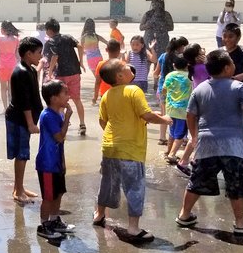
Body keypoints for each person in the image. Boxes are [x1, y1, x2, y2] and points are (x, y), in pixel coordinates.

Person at [175, 50, 243, 236]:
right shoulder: (237, 87)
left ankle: (184, 214)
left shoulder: (200, 89)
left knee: (197, 182)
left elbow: (190, 115)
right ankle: (239, 224)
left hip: (206, 144)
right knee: (236, 186)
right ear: (228, 67)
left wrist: (195, 136)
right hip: (233, 146)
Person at [92, 60, 172, 242]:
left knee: (108, 183)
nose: (130, 67)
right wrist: (165, 119)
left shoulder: (107, 95)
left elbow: (103, 121)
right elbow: (146, 115)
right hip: (130, 150)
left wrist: (117, 133)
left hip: (110, 147)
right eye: (126, 66)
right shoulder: (134, 90)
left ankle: (99, 214)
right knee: (135, 187)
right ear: (120, 76)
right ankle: (134, 228)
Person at [5, 37, 43, 204]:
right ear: (28, 54)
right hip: (19, 118)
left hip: (24, 118)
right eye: (38, 53)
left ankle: (19, 186)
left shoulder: (30, 70)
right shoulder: (21, 72)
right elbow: (25, 101)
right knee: (21, 155)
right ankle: (18, 190)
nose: (40, 56)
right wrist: (30, 123)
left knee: (23, 154)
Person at [35, 80, 74, 240]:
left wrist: (63, 162)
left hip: (56, 162)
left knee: (58, 193)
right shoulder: (48, 115)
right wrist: (67, 119)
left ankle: (54, 220)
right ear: (53, 98)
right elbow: (59, 137)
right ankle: (44, 224)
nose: (68, 96)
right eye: (64, 93)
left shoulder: (58, 113)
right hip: (47, 163)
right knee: (48, 196)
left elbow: (61, 142)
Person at [44, 18, 87, 135]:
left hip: (61, 74)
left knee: (60, 100)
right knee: (77, 99)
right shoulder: (68, 37)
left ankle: (62, 123)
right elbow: (80, 46)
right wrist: (81, 62)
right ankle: (82, 124)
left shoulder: (51, 41)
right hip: (74, 72)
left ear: (49, 30)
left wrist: (50, 72)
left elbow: (54, 56)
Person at [161, 55, 192, 165]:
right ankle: (172, 154)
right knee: (180, 135)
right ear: (187, 66)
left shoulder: (170, 75)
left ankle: (168, 151)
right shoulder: (189, 76)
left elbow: (164, 90)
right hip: (183, 111)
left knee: (172, 132)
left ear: (174, 65)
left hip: (171, 109)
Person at [0, 20, 21, 112]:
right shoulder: (16, 39)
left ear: (3, 29)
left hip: (3, 66)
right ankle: (12, 106)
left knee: (3, 88)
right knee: (11, 88)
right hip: (13, 65)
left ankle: (5, 108)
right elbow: (17, 55)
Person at [81, 19, 109, 101]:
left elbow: (81, 49)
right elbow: (108, 43)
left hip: (91, 59)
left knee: (97, 78)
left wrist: (83, 56)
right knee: (102, 77)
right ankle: (104, 93)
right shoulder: (96, 36)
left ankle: (101, 95)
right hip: (99, 58)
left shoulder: (83, 37)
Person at [95, 39, 123, 104]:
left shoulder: (101, 64)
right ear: (119, 51)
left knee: (106, 113)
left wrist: (95, 97)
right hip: (118, 94)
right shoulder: (121, 65)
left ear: (106, 50)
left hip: (104, 94)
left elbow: (97, 82)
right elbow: (125, 81)